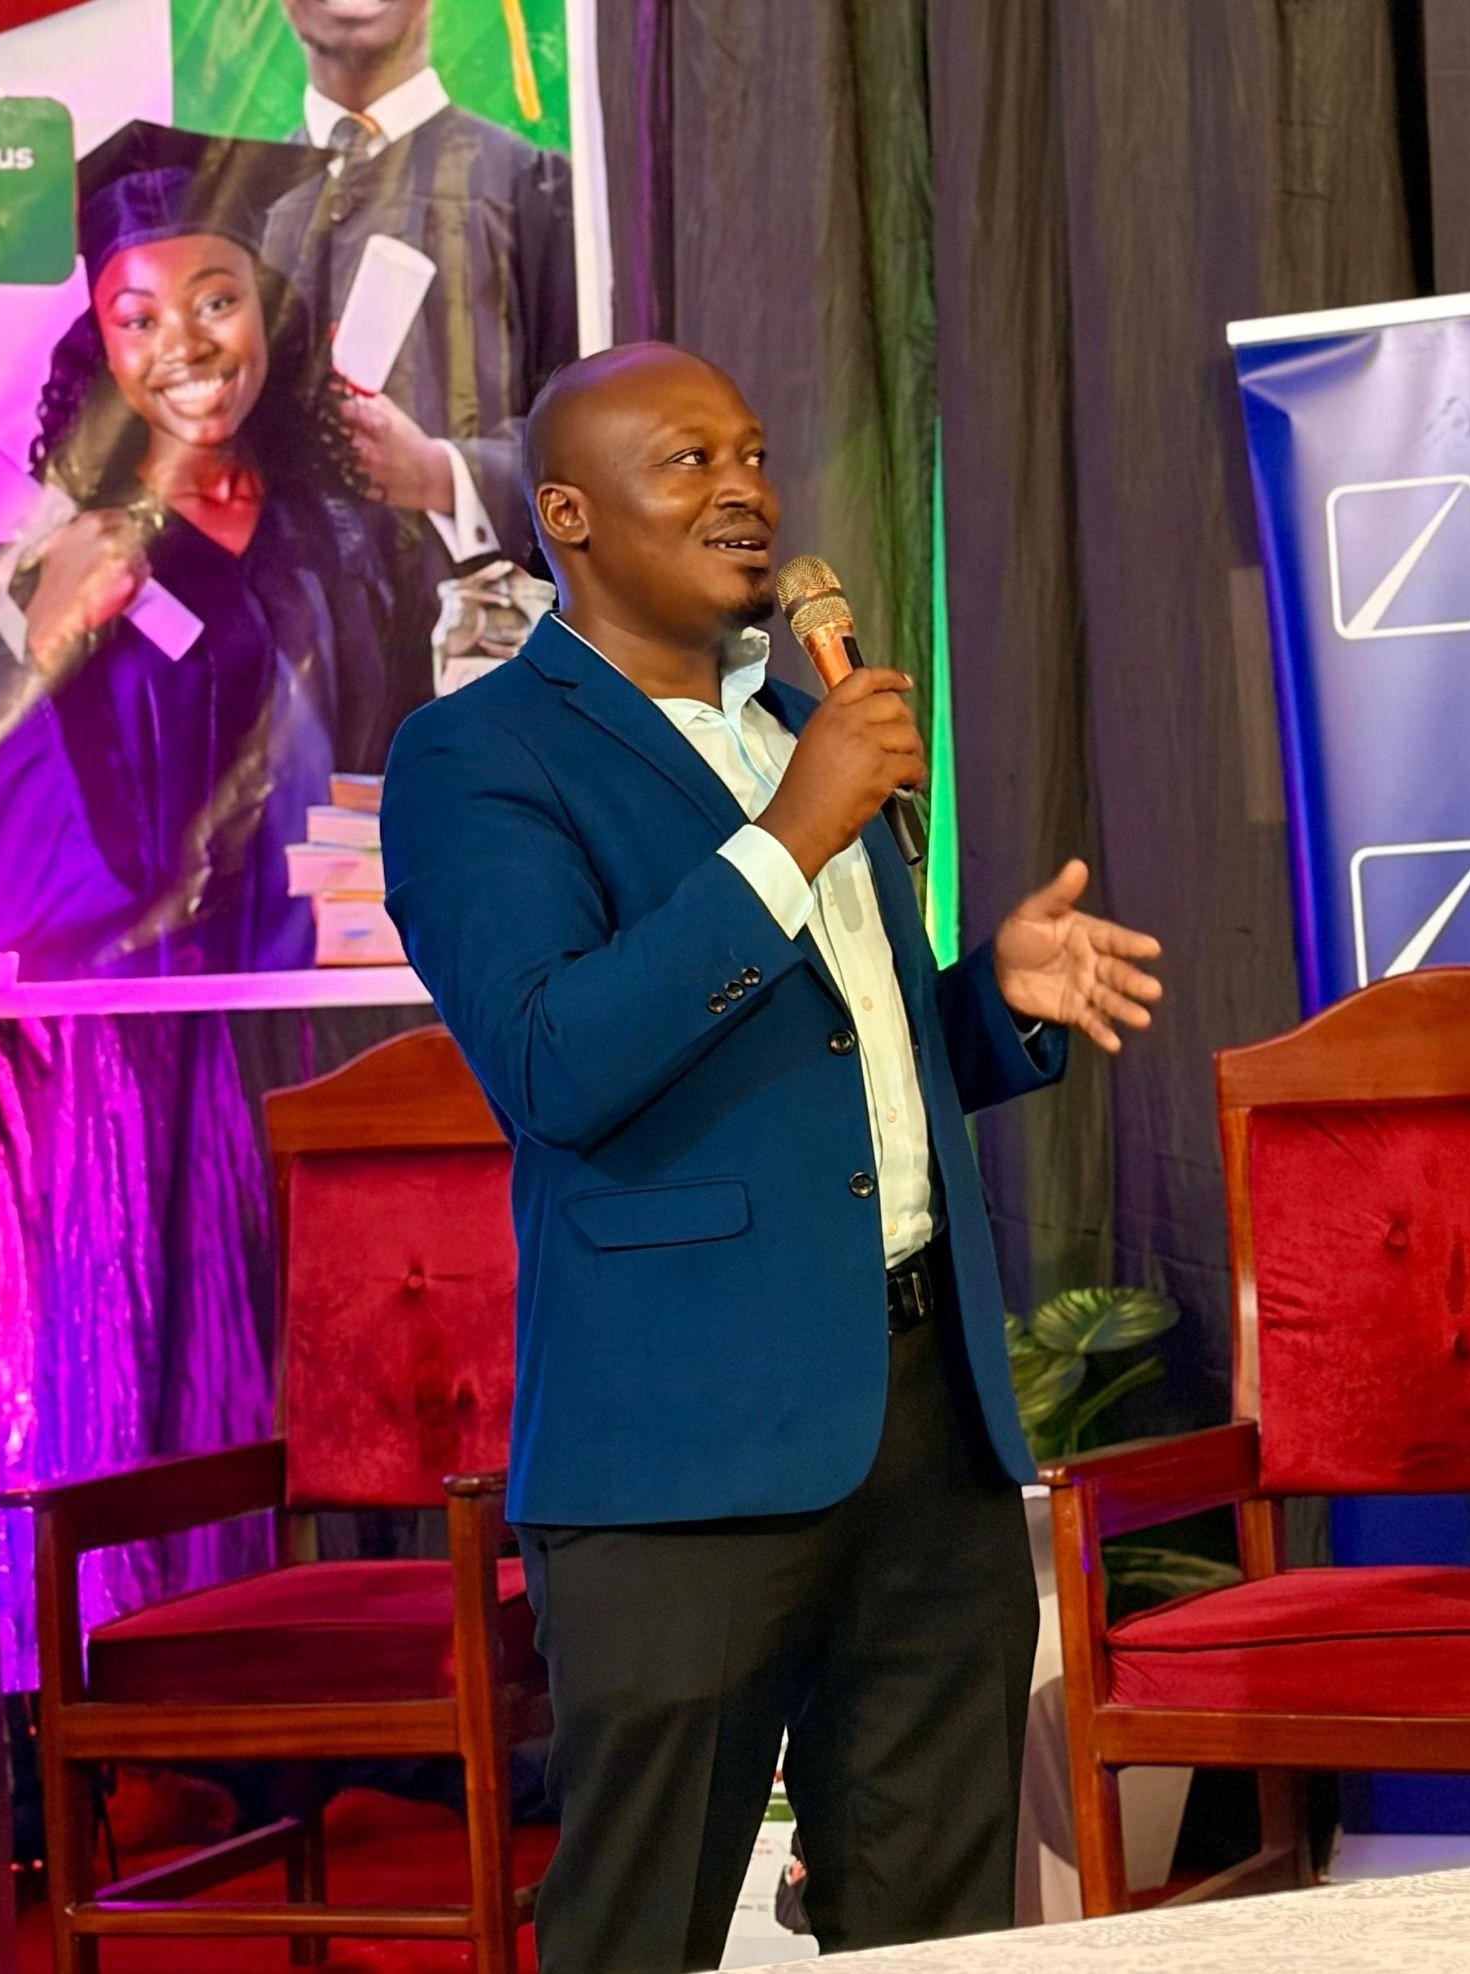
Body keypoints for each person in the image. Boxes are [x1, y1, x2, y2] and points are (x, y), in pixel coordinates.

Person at [380, 343, 1164, 1972]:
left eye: (749, 449)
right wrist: (792, 830)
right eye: (687, 460)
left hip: (922, 1414)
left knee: (931, 1913)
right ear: (573, 517)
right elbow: (559, 1062)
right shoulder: (479, 758)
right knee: (642, 1919)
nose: (743, 485)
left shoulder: (805, 724)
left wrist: (986, 1002)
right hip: (682, 1441)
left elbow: (819, 1055)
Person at [0, 128, 392, 981]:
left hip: (329, 1011)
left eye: (216, 302)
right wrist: (46, 633)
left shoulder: (347, 538)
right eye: (139, 318)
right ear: (102, 344)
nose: (186, 345)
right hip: (124, 1034)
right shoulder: (33, 566)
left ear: (268, 315)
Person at [262, 0, 576, 734]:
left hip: (489, 661)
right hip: (286, 690)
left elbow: (595, 432)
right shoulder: (244, 203)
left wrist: (444, 473)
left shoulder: (531, 185)